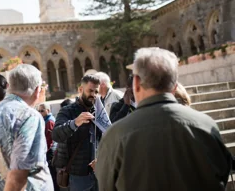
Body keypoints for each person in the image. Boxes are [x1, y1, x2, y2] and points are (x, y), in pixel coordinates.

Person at [95, 47, 232, 191]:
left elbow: (106, 186)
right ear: (175, 85)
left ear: (135, 83)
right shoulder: (206, 125)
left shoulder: (115, 136)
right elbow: (221, 174)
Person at [53, 75, 101, 191]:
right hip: (76, 176)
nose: (93, 95)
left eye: (96, 91)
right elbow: (56, 134)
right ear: (80, 90)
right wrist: (74, 123)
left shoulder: (99, 112)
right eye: (90, 90)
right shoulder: (67, 111)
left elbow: (104, 138)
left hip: (97, 173)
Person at [38, 103, 59, 191]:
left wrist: (43, 151)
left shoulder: (49, 121)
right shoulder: (45, 120)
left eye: (42, 111)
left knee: (52, 175)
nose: (40, 113)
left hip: (49, 152)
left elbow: (49, 140)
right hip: (49, 150)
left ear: (48, 110)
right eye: (38, 111)